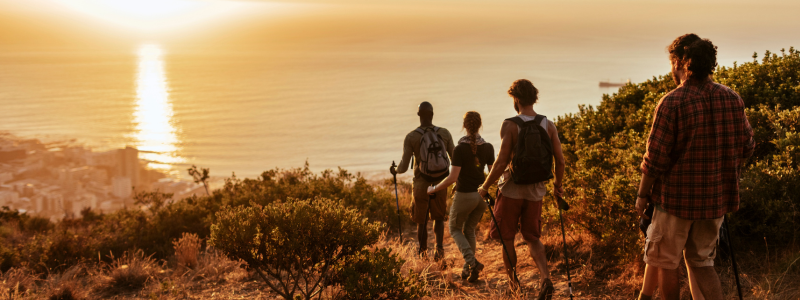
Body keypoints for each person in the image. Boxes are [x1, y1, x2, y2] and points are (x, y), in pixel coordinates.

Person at [635, 33, 755, 300]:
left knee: (667, 262)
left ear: (679, 63)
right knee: (702, 263)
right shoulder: (732, 98)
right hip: (715, 201)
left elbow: (654, 159)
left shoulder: (672, 102)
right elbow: (747, 146)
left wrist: (642, 196)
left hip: (675, 201)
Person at [478, 79, 566, 300]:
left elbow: (500, 163)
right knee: (533, 238)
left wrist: (485, 186)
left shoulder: (510, 125)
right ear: (534, 98)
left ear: (516, 100)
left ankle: (513, 284)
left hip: (511, 190)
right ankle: (546, 278)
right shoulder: (548, 124)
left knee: (507, 238)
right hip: (536, 191)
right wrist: (557, 187)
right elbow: (560, 161)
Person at [427, 111, 494, 282]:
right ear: (480, 125)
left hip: (465, 195)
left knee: (454, 229)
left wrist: (434, 188)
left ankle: (473, 262)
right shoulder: (488, 147)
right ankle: (468, 270)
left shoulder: (460, 149)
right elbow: (493, 173)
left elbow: (452, 178)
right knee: (469, 230)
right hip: (482, 197)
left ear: (464, 126)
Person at [390, 101, 455, 260]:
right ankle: (439, 252)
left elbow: (404, 167)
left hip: (420, 184)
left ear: (418, 115)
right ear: (432, 114)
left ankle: (423, 253)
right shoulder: (444, 133)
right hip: (440, 183)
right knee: (438, 218)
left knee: (422, 221)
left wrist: (395, 170)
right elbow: (454, 158)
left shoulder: (412, 137)